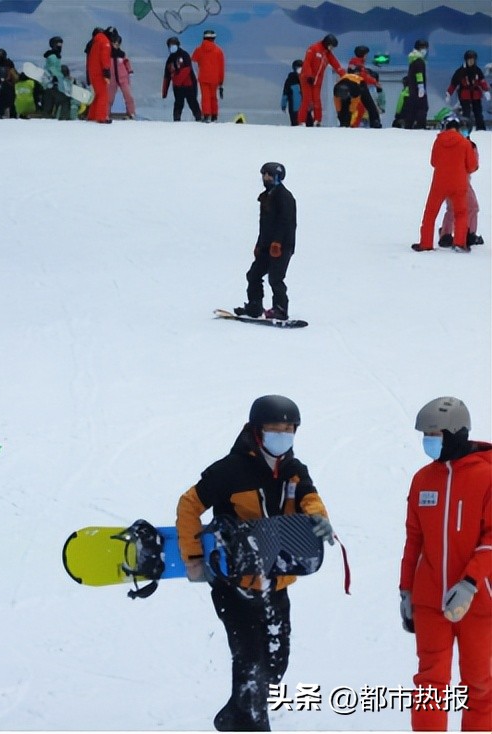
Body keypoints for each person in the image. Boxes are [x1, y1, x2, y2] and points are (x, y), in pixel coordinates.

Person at [177, 395, 333, 732]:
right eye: (275, 429)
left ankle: (234, 715)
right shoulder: (228, 471)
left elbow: (310, 498)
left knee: (275, 666)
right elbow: (189, 505)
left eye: (289, 429)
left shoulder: (293, 470)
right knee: (250, 663)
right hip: (234, 585)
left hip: (276, 584)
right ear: (256, 431)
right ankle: (251, 723)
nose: (283, 435)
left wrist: (319, 519)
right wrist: (192, 558)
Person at [400, 396, 491, 732]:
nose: (429, 441)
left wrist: (470, 583)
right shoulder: (423, 479)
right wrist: (406, 590)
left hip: (479, 600)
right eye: (426, 435)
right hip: (430, 600)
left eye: (434, 434)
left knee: (479, 685)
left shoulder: (487, 476)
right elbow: (414, 539)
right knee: (429, 684)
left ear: (457, 432)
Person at [234, 162, 297, 321]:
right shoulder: (266, 196)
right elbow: (264, 225)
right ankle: (254, 306)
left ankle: (280, 309)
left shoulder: (285, 197)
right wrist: (259, 244)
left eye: (269, 174)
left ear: (277, 177)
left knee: (276, 278)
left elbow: (286, 222)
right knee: (253, 274)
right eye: (264, 174)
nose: (265, 177)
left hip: (282, 246)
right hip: (266, 246)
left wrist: (278, 242)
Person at [412, 115, 478, 252]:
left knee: (430, 213)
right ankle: (460, 243)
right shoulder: (465, 143)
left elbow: (433, 162)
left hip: (439, 183)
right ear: (458, 128)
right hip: (459, 183)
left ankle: (426, 243)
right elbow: (472, 166)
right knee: (461, 213)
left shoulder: (438, 141)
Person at [298, 33, 343, 126]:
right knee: (307, 100)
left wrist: (344, 75)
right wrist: (309, 75)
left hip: (318, 80)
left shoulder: (327, 53)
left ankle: (318, 120)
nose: (332, 49)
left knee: (317, 100)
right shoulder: (314, 48)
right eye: (331, 46)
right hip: (307, 78)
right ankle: (301, 121)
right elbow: (307, 62)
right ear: (327, 43)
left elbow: (336, 64)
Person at [446, 50, 490, 132]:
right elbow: (453, 84)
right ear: (466, 60)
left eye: (473, 60)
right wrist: (448, 93)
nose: (471, 61)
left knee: (478, 112)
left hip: (476, 95)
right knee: (466, 113)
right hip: (464, 95)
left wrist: (486, 91)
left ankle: (481, 128)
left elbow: (482, 81)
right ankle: (465, 128)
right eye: (469, 60)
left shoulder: (477, 70)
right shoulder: (460, 71)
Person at [162, 36, 201, 121]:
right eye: (170, 45)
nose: (172, 46)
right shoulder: (170, 60)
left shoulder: (184, 55)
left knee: (192, 102)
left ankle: (199, 119)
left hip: (189, 85)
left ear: (178, 45)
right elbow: (166, 77)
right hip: (177, 87)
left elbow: (187, 70)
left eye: (174, 44)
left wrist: (177, 80)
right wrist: (164, 92)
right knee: (178, 104)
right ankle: (176, 119)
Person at [333, 64, 381, 128]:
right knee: (344, 109)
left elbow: (354, 105)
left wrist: (349, 114)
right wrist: (339, 114)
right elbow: (337, 105)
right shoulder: (336, 89)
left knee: (369, 103)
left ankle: (375, 122)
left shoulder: (354, 90)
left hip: (360, 84)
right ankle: (344, 123)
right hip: (348, 84)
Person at [192, 29, 225, 122]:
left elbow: (193, 61)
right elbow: (221, 67)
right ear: (214, 38)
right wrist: (221, 81)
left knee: (205, 96)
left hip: (203, 77)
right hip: (215, 78)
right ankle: (214, 115)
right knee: (213, 96)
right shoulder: (219, 51)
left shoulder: (198, 50)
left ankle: (206, 115)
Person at [107, 28, 136, 120]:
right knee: (109, 97)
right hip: (112, 78)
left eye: (118, 43)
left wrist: (129, 70)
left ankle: (131, 113)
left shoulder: (122, 54)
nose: (116, 45)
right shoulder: (108, 54)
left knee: (128, 96)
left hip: (123, 78)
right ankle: (106, 113)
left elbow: (127, 62)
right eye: (114, 43)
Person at [85, 27, 112, 123]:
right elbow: (105, 59)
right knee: (103, 95)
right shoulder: (105, 42)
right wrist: (107, 73)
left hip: (93, 72)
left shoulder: (95, 41)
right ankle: (101, 117)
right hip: (100, 72)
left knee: (97, 94)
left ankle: (92, 115)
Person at [404, 39, 431, 130]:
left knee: (412, 107)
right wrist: (421, 86)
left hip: (412, 88)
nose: (425, 50)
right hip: (418, 88)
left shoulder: (412, 60)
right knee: (423, 107)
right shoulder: (419, 61)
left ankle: (408, 125)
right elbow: (419, 74)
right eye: (424, 48)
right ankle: (420, 125)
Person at [42, 35, 68, 119]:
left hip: (51, 85)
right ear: (53, 44)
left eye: (61, 44)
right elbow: (53, 70)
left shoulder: (55, 56)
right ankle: (62, 118)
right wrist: (60, 78)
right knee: (64, 100)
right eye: (58, 44)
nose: (60, 46)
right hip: (51, 84)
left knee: (49, 105)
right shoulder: (53, 57)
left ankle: (50, 118)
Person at [280, 60, 309, 126]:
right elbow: (285, 94)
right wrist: (283, 105)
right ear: (294, 68)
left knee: (308, 127)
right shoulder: (290, 80)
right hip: (294, 109)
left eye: (302, 67)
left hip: (306, 108)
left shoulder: (306, 79)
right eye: (299, 67)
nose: (301, 69)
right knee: (295, 126)